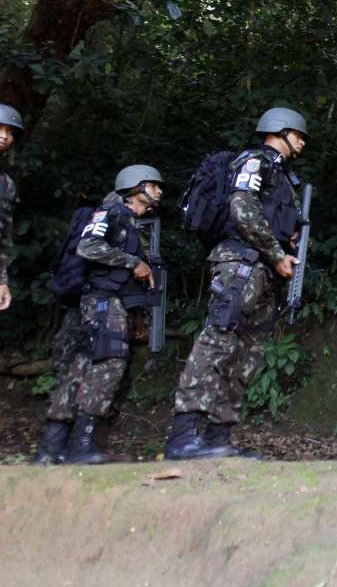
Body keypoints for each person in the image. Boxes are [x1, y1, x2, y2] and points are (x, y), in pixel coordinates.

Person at [165, 107, 307, 459]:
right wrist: (276, 252)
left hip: (262, 270)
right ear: (280, 131)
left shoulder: (283, 176)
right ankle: (183, 435)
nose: (302, 143)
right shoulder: (256, 162)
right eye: (299, 135)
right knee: (217, 342)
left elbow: (265, 217)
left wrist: (283, 245)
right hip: (240, 264)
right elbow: (241, 208)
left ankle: (218, 436)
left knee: (247, 354)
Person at [36, 165, 164, 464]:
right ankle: (82, 445)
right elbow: (88, 246)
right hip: (103, 302)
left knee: (81, 366)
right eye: (154, 186)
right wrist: (132, 262)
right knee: (109, 364)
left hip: (107, 303)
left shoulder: (131, 222)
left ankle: (52, 447)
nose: (160, 191)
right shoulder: (111, 213)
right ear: (136, 188)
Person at [0, 103, 23, 313]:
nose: (4, 136)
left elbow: (4, 236)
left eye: (9, 131)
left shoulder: (6, 183)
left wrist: (2, 280)